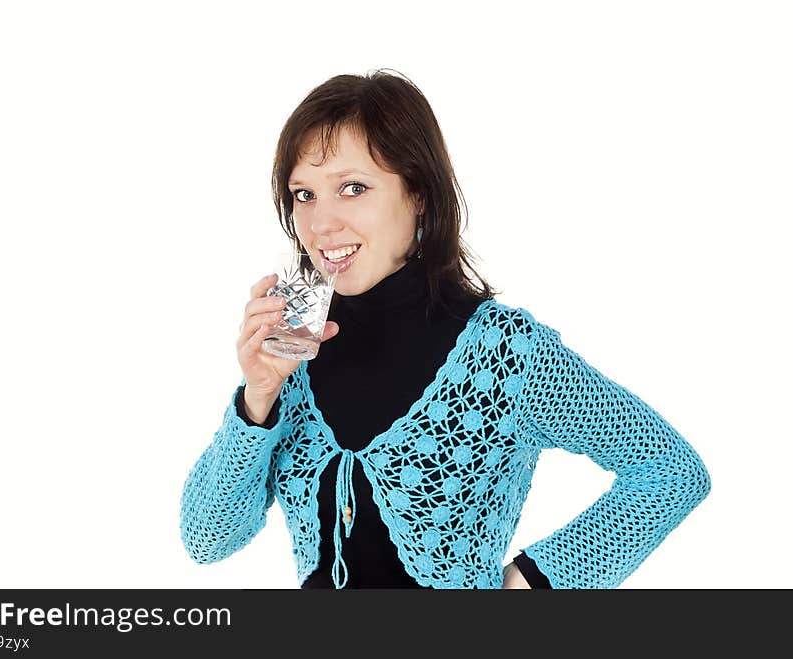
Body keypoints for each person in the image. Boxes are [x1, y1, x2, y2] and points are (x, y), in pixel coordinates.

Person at [179, 69, 711, 589]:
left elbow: (669, 474)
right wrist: (258, 397)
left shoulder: (505, 353)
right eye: (303, 194)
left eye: (353, 187)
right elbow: (206, 539)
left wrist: (533, 584)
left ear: (420, 195)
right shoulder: (294, 356)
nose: (320, 224)